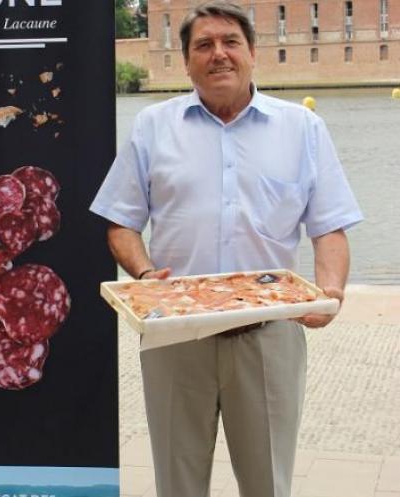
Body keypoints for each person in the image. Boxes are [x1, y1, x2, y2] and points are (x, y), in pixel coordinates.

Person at [90, 2, 363, 496]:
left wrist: (331, 292)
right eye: (204, 45)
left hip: (268, 336)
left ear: (253, 53)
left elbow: (330, 228)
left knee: (268, 485)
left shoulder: (302, 129)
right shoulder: (152, 126)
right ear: (186, 61)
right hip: (175, 335)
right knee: (178, 484)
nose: (219, 54)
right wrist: (145, 273)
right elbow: (120, 222)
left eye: (230, 42)